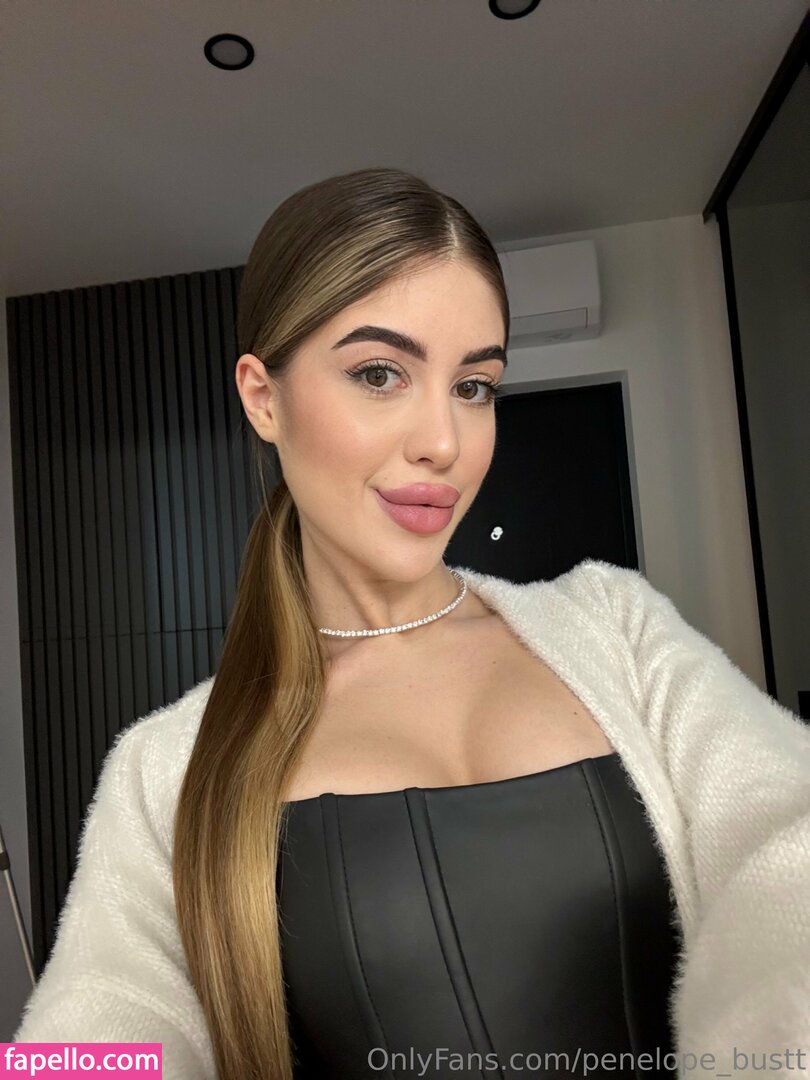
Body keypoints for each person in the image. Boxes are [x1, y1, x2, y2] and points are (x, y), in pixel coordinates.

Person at [14, 168, 810, 1080]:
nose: (444, 441)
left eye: (474, 385)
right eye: (380, 374)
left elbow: (789, 845)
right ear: (263, 398)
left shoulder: (617, 629)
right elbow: (91, 1044)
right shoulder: (167, 769)